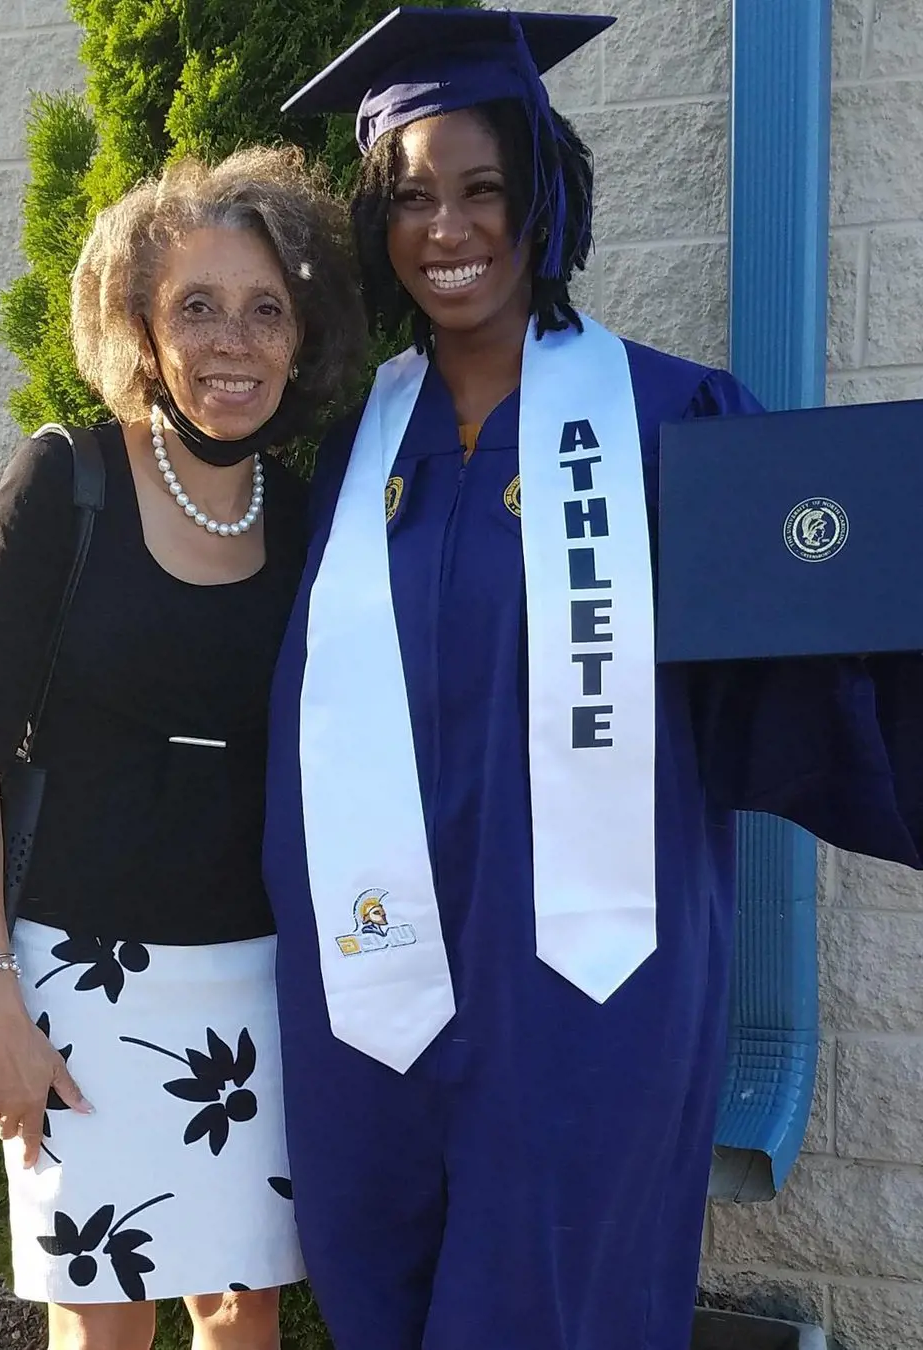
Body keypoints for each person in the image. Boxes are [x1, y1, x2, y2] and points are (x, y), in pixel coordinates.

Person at [264, 10, 923, 1350]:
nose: (444, 226)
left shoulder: (675, 423)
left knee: (558, 1297)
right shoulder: (344, 453)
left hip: (591, 979)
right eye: (408, 197)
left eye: (479, 188)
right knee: (377, 1275)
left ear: (542, 196)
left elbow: (802, 674)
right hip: (371, 979)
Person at [0, 147, 363, 1350]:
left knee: (245, 1313)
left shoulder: (310, 513)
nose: (236, 341)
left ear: (301, 335)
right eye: (199, 308)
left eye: (267, 309)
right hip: (78, 985)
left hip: (259, 982)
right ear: (141, 326)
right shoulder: (62, 478)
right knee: (105, 1325)